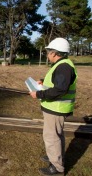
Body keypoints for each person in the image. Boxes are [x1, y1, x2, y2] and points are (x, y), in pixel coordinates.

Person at [29, 38, 77, 175]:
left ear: (55, 53)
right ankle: (55, 156)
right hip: (55, 107)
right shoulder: (62, 65)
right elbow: (58, 83)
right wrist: (43, 81)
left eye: (48, 52)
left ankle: (57, 167)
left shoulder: (63, 67)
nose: (47, 55)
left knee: (52, 137)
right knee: (56, 135)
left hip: (56, 108)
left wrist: (39, 94)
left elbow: (60, 90)